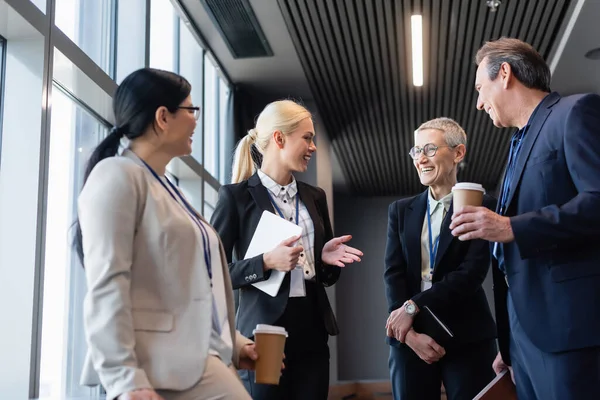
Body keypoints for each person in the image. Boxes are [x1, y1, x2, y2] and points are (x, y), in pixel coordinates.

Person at [75, 68, 257, 400]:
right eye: (191, 110)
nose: (196, 121)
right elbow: (107, 282)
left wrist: (234, 342)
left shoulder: (169, 190)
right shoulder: (117, 175)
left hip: (195, 359)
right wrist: (124, 378)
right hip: (157, 367)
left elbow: (189, 287)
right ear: (163, 117)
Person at [450, 37, 600, 400]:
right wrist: (510, 338)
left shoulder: (575, 111)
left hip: (570, 331)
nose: (478, 103)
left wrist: (509, 227)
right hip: (524, 339)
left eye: (479, 89)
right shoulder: (516, 145)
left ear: (504, 73)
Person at [210, 100, 363, 400]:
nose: (313, 147)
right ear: (279, 138)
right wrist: (265, 262)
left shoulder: (314, 196)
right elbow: (213, 273)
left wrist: (324, 260)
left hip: (312, 330)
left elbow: (326, 277)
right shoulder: (236, 198)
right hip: (264, 334)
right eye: (307, 137)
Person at [384, 118, 497, 400]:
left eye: (430, 149)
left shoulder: (482, 207)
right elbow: (394, 275)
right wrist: (406, 333)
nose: (420, 158)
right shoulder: (400, 211)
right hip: (411, 335)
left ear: (458, 153)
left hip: (468, 334)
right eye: (416, 150)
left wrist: (413, 306)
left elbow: (471, 273)